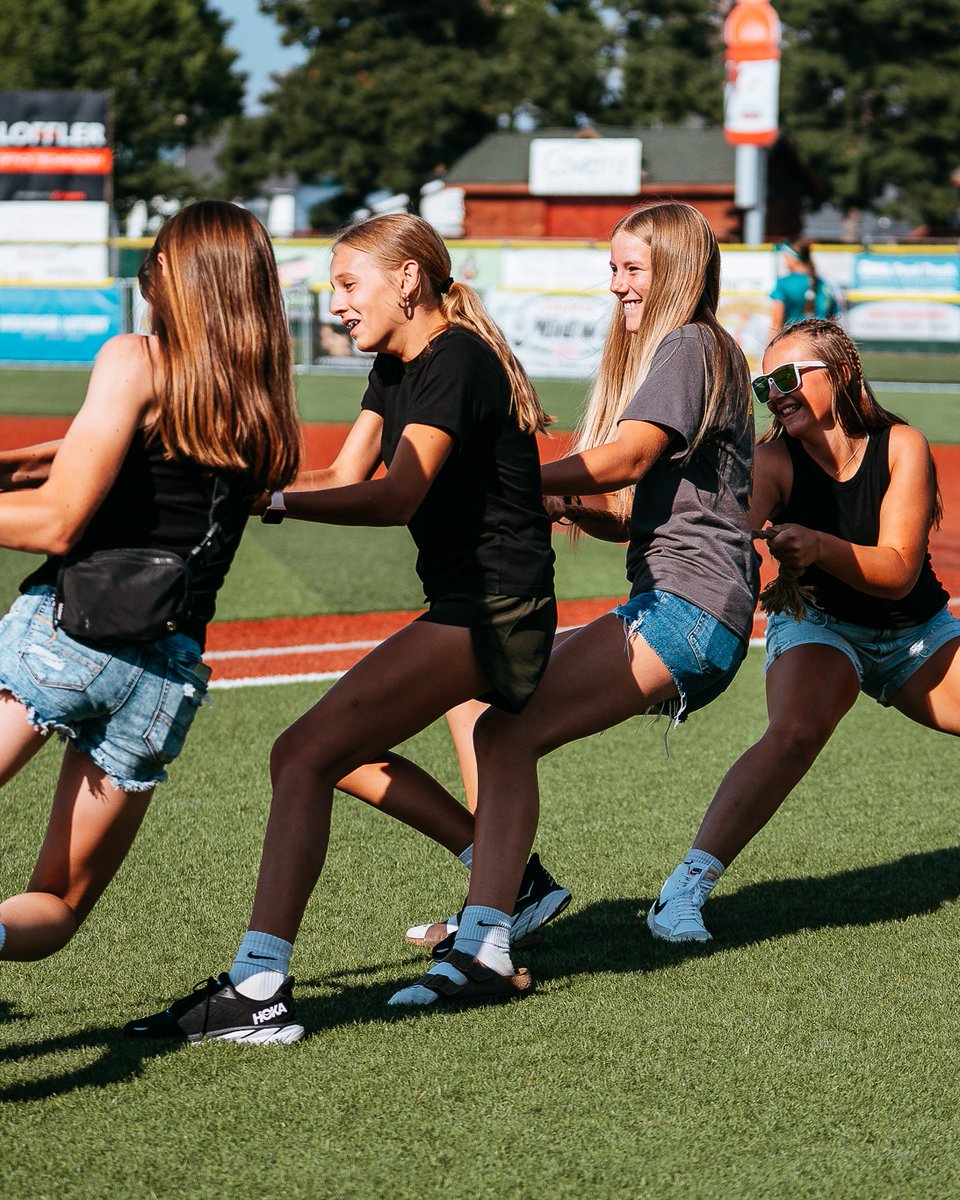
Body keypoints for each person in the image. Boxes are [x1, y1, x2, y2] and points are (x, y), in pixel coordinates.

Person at [126, 212, 564, 1043]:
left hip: (494, 611)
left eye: (347, 285)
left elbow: (395, 493)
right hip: (474, 605)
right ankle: (507, 875)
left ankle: (259, 988)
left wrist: (277, 500)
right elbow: (338, 473)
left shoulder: (457, 360)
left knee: (301, 752)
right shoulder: (395, 367)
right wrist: (240, 477)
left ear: (407, 280)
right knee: (334, 754)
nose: (336, 306)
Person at [384, 199, 759, 1008]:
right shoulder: (692, 350)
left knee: (504, 732)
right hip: (688, 606)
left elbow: (625, 457)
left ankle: (488, 936)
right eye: (613, 269)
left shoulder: (691, 342)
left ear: (678, 273)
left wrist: (505, 475)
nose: (617, 285)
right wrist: (560, 505)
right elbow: (630, 508)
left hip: (688, 610)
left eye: (632, 270)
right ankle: (507, 898)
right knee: (476, 699)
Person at [0, 200, 301, 965]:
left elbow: (58, 523)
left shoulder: (134, 357)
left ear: (172, 273)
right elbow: (130, 446)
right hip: (162, 677)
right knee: (57, 909)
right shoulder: (265, 403)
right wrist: (21, 463)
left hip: (69, 634)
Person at [648, 317, 960, 943]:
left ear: (840, 374)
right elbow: (716, 531)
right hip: (821, 626)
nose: (775, 393)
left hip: (916, 632)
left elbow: (898, 572)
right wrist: (584, 505)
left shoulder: (902, 445)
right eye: (766, 385)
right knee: (794, 732)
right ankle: (680, 893)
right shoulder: (773, 463)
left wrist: (816, 544)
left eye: (789, 377)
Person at [768, 238, 840, 342]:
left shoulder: (783, 283)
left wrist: (769, 348)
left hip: (793, 342)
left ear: (794, 258)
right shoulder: (825, 284)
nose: (784, 259)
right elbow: (833, 318)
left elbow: (776, 322)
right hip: (821, 344)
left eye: (786, 256)